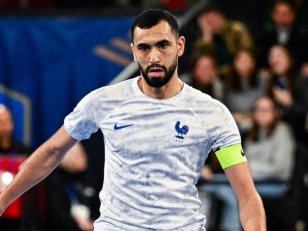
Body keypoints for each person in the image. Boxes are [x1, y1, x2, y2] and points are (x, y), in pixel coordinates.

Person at [0, 9, 266, 230]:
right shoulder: (104, 101)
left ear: (180, 45)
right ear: (133, 51)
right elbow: (52, 151)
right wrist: (3, 200)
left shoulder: (212, 113)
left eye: (163, 45)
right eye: (144, 48)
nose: (154, 57)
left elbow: (246, 195)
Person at [244, 96, 296, 231]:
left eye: (267, 109)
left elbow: (280, 167)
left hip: (275, 184)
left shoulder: (283, 130)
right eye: (259, 109)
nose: (262, 113)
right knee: (222, 188)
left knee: (231, 192)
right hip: (254, 182)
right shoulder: (252, 133)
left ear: (275, 112)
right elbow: (245, 161)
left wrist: (251, 169)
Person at [192, 3, 254, 76]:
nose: (210, 25)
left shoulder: (236, 30)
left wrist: (220, 71)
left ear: (220, 17)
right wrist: (207, 37)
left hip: (237, 73)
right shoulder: (204, 40)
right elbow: (201, 64)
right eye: (207, 22)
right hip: (216, 78)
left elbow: (246, 54)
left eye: (212, 20)